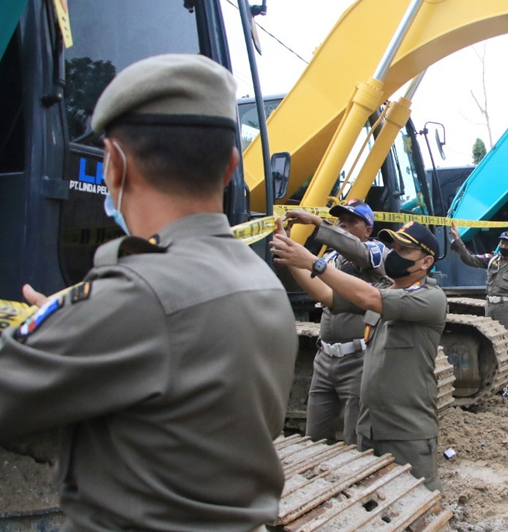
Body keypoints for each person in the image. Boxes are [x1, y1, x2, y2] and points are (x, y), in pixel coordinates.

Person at [0, 54, 297, 531]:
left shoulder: (141, 294)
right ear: (230, 168)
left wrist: (69, 322)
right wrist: (77, 319)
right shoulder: (257, 278)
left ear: (114, 165)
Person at [270, 220, 446, 492]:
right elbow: (328, 296)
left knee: (416, 501)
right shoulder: (387, 291)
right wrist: (294, 257)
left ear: (426, 262)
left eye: (404, 251)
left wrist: (316, 263)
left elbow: (368, 299)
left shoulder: (430, 298)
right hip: (370, 428)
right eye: (394, 247)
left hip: (406, 432)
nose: (394, 255)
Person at [282, 200, 389, 446]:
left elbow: (358, 252)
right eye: (341, 222)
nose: (345, 226)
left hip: (358, 358)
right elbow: (317, 289)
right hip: (326, 357)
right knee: (315, 436)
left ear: (368, 230)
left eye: (353, 222)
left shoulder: (376, 252)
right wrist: (289, 251)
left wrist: (319, 223)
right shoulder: (330, 259)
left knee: (356, 439)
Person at [449, 226, 508, 342]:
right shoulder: (492, 259)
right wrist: (458, 239)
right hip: (490, 307)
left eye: (507, 244)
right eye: (502, 242)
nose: (503, 246)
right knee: (490, 341)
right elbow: (470, 259)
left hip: (506, 309)